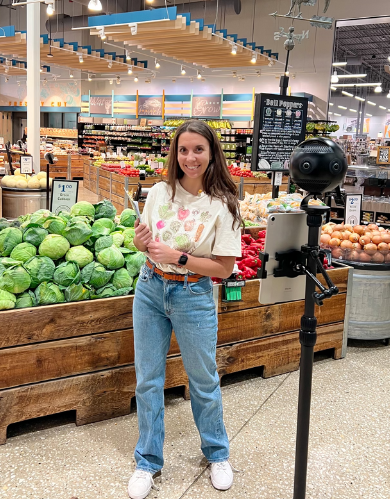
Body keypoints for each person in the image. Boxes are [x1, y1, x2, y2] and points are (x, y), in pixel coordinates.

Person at [127, 119, 242, 499]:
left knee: (203, 381)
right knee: (148, 380)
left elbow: (224, 269)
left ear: (212, 154)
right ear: (174, 153)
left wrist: (179, 257)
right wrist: (141, 241)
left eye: (198, 150)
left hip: (193, 295)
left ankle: (217, 453)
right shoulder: (160, 192)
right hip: (149, 289)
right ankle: (147, 460)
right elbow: (143, 244)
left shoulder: (223, 205)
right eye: (183, 150)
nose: (190, 157)